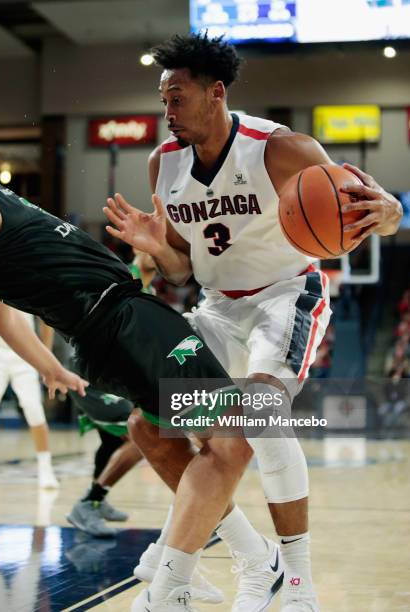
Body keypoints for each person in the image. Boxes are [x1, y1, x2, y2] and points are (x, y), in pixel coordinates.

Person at [103, 33, 403, 611]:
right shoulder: (161, 164)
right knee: (148, 425)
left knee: (258, 417)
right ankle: (251, 553)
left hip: (285, 297)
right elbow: (185, 267)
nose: (167, 112)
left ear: (216, 94)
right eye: (163, 99)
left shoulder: (281, 148)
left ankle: (295, 580)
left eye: (178, 98)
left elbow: (373, 211)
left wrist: (389, 213)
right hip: (217, 306)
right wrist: (156, 247)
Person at [0, 113, 249, 609]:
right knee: (234, 433)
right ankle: (173, 576)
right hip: (122, 320)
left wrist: (49, 366)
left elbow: (2, 318)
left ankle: (187, 561)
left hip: (108, 331)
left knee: (159, 435)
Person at [66, 249, 155, 537]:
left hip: (111, 376)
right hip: (91, 374)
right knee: (141, 436)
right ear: (138, 249)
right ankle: (89, 504)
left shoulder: (148, 286)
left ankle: (96, 503)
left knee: (110, 441)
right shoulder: (125, 276)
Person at [0, 301, 59, 489]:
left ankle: (46, 469)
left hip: (25, 353)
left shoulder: (26, 281)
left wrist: (45, 358)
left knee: (34, 410)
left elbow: (46, 323)